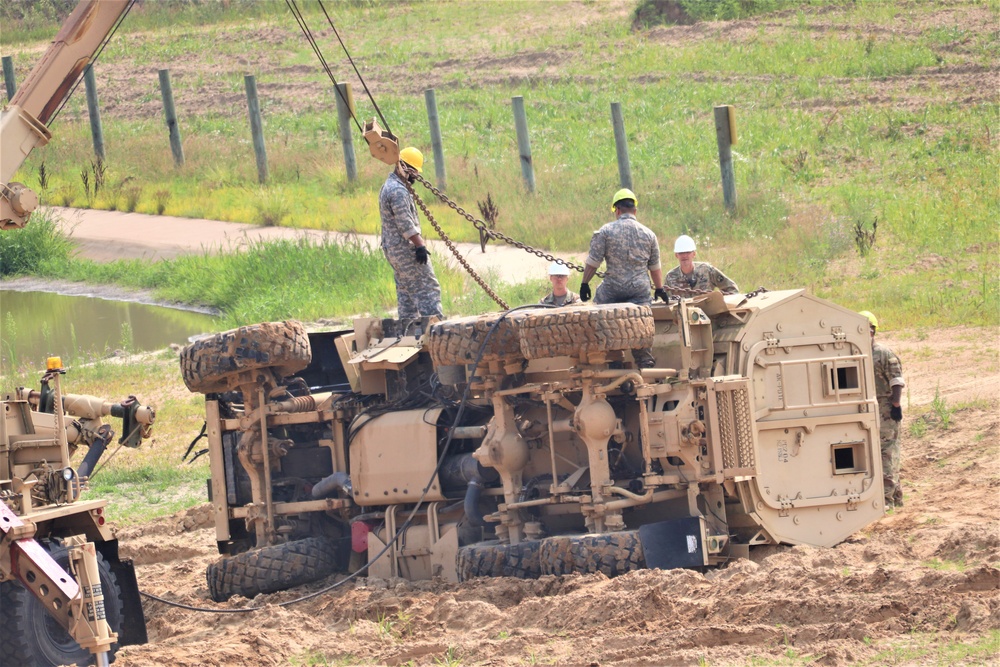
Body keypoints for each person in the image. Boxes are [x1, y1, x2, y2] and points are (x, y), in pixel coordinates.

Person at [580, 188, 667, 368]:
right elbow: (655, 268)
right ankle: (644, 360)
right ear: (635, 211)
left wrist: (584, 284)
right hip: (639, 290)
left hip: (612, 289)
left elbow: (593, 262)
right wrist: (659, 288)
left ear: (617, 211)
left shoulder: (605, 231)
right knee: (640, 323)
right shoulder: (649, 234)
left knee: (601, 314)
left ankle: (613, 357)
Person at [378, 146, 443, 322]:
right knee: (427, 288)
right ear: (407, 168)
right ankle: (436, 331)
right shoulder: (398, 190)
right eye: (415, 171)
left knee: (406, 292)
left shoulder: (390, 185)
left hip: (394, 250)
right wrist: (420, 245)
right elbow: (404, 222)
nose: (416, 176)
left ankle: (408, 330)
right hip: (405, 250)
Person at [861, 310, 906, 509]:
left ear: (873, 331)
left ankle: (887, 501)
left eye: (867, 330)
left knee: (886, 453)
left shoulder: (883, 353)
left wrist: (895, 405)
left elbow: (897, 380)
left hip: (885, 409)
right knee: (874, 455)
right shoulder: (855, 352)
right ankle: (895, 498)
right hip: (866, 409)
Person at [665, 235, 740, 295]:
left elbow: (732, 289)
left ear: (694, 254)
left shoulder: (706, 270)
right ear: (676, 255)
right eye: (681, 253)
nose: (684, 256)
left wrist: (719, 305)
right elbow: (666, 302)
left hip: (709, 313)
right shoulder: (671, 277)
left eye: (688, 252)